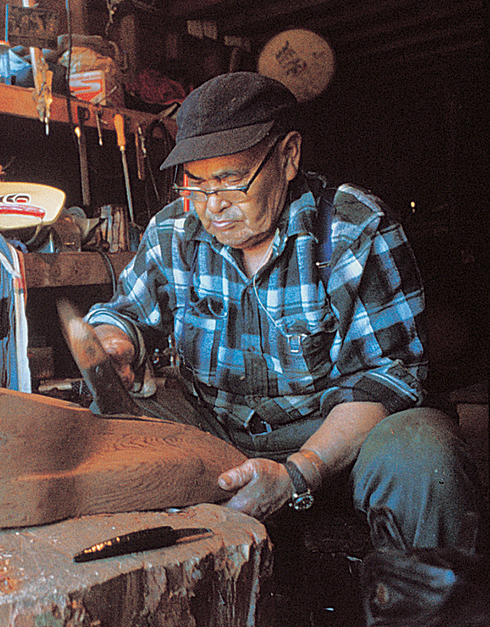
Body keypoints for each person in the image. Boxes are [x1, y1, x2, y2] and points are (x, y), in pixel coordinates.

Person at [86, 71, 485, 550]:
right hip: (217, 426)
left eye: (231, 181)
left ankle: (423, 607)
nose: (212, 207)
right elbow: (127, 309)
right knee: (115, 421)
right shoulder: (175, 229)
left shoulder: (355, 228)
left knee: (424, 452)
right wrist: (115, 341)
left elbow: (387, 379)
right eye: (195, 184)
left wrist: (299, 473)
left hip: (331, 432)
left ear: (288, 156)